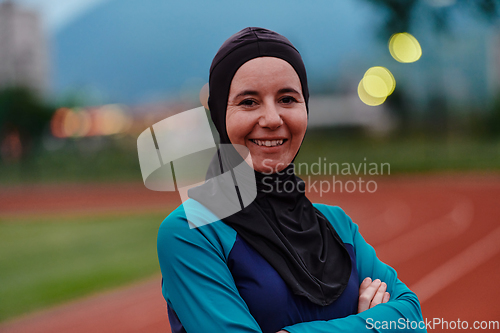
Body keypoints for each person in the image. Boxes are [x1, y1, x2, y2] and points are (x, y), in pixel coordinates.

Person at [157, 27, 426, 333]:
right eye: (248, 102)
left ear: (306, 108)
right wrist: (368, 325)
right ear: (220, 114)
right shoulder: (191, 231)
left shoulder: (338, 225)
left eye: (287, 99)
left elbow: (410, 317)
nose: (272, 119)